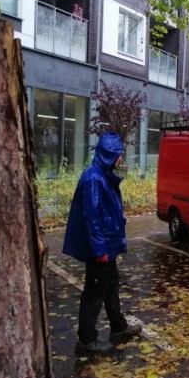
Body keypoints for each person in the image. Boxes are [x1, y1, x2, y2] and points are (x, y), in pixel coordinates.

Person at [63, 132, 142, 353]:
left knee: (111, 286)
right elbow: (92, 217)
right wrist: (99, 250)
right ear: (110, 155)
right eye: (118, 156)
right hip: (102, 247)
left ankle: (118, 327)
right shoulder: (94, 178)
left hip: (108, 245)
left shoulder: (103, 176)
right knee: (95, 292)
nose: (121, 160)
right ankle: (86, 339)